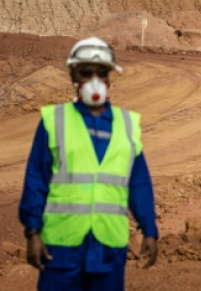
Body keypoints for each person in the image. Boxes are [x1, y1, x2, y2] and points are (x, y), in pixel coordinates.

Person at [18, 37, 158, 290]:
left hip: (108, 247)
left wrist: (149, 228)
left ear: (109, 78)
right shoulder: (54, 121)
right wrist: (32, 231)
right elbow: (36, 179)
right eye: (85, 73)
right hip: (61, 247)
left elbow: (138, 183)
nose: (94, 80)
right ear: (73, 75)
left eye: (101, 73)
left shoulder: (127, 125)